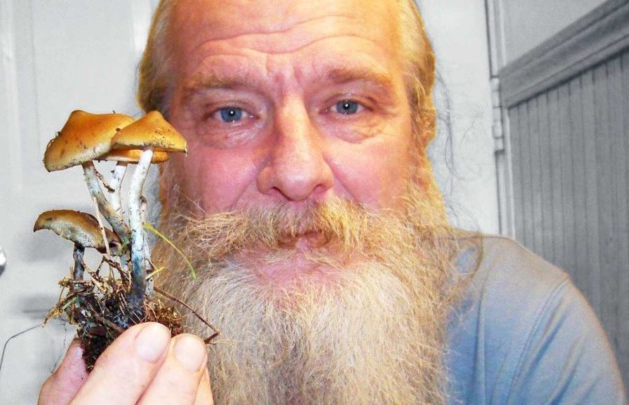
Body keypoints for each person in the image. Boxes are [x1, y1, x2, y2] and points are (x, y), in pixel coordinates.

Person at [39, 0, 627, 403]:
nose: (296, 174)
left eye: (348, 106)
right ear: (163, 164)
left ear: (419, 140)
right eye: (231, 113)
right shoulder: (121, 351)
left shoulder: (527, 330)